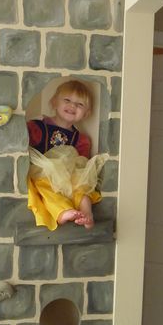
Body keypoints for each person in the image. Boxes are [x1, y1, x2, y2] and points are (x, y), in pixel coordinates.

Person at [27, 80, 106, 231]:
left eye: (80, 104)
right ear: (54, 102)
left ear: (86, 113)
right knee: (44, 188)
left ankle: (86, 212)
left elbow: (81, 164)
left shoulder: (81, 140)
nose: (73, 106)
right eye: (67, 100)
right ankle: (63, 211)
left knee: (82, 184)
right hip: (44, 173)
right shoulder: (37, 127)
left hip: (69, 177)